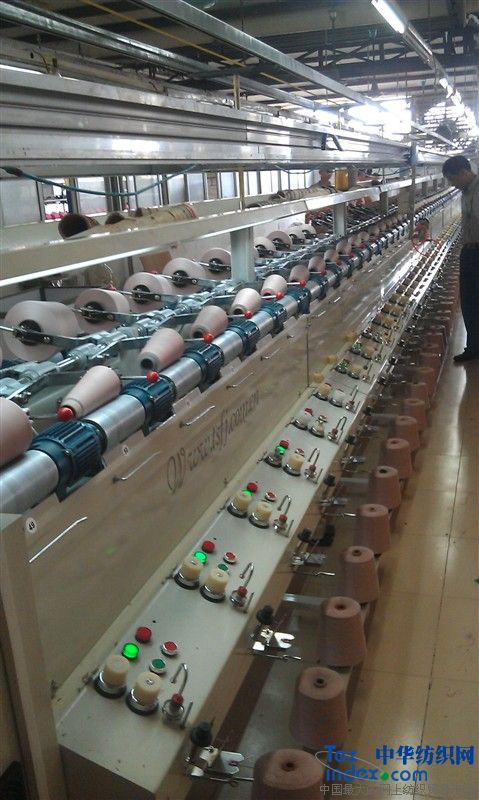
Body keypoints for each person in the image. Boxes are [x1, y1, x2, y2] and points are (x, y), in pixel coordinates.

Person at [442, 155, 479, 362]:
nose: (451, 184)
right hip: (469, 251)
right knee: (469, 300)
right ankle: (473, 348)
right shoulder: (465, 191)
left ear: (464, 172)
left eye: (452, 178)